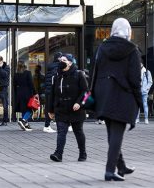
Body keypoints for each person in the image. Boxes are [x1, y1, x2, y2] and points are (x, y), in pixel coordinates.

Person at [93, 18, 141, 181]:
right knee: (116, 135)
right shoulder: (132, 50)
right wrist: (139, 100)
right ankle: (109, 170)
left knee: (112, 133)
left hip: (103, 95)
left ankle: (121, 166)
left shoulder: (102, 48)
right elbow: (135, 80)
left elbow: (96, 71)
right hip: (123, 96)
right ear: (127, 31)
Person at [49, 54, 88, 162]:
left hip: (76, 109)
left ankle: (82, 153)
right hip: (61, 109)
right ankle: (58, 154)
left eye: (64, 60)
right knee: (61, 131)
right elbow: (52, 94)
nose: (61, 62)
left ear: (70, 63)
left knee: (78, 131)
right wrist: (51, 109)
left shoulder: (79, 74)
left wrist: (79, 103)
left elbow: (86, 92)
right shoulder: (57, 76)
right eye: (60, 60)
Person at [15, 60, 37, 131]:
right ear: (25, 65)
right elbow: (31, 84)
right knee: (30, 109)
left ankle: (26, 125)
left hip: (19, 93)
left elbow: (14, 85)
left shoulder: (16, 74)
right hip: (27, 93)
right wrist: (35, 92)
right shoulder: (28, 73)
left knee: (23, 108)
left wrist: (16, 94)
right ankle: (23, 121)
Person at [44, 52, 62, 133]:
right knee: (55, 108)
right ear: (59, 58)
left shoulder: (50, 67)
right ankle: (47, 125)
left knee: (49, 107)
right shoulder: (58, 67)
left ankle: (47, 125)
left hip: (48, 90)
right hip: (53, 91)